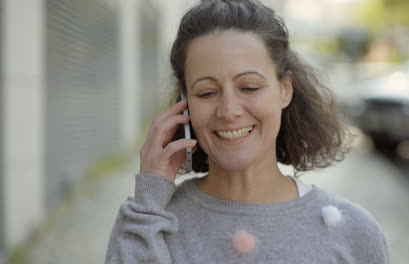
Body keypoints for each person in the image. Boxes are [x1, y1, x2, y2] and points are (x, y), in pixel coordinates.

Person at [105, 0, 389, 263]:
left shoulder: (354, 233)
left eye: (249, 87)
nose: (229, 110)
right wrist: (149, 199)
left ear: (285, 90)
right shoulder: (149, 223)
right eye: (206, 92)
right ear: (184, 104)